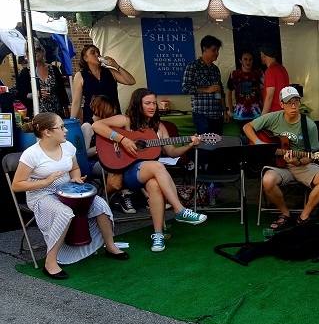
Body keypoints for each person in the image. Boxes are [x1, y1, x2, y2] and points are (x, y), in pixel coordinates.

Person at [11, 112, 129, 280]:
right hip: (41, 194)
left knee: (100, 204)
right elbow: (16, 185)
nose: (66, 130)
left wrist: (75, 177)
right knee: (64, 212)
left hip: (68, 190)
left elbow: (74, 168)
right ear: (48, 132)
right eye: (61, 127)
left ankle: (109, 246)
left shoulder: (67, 146)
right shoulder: (32, 154)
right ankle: (50, 262)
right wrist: (46, 182)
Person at [92, 88, 207, 252]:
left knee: (154, 185)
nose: (152, 106)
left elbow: (172, 152)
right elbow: (97, 125)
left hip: (148, 173)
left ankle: (158, 235)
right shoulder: (127, 120)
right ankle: (179, 209)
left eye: (154, 103)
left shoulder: (159, 127)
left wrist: (189, 145)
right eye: (147, 103)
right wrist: (123, 140)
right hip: (127, 173)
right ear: (138, 104)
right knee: (158, 166)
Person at [243, 86, 319, 230]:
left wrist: (297, 161)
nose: (293, 106)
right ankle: (285, 214)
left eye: (296, 102)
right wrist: (260, 143)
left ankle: (304, 216)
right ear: (282, 104)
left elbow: (313, 155)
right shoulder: (273, 117)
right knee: (267, 180)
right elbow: (247, 127)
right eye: (289, 103)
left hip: (301, 164)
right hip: (278, 164)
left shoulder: (309, 125)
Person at [81, 95, 137, 214]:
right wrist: (101, 149)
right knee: (120, 165)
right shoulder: (88, 127)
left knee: (130, 163)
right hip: (95, 163)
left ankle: (126, 193)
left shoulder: (109, 126)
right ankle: (124, 194)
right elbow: (84, 153)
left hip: (112, 159)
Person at [70, 44, 136, 123]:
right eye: (93, 53)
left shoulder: (110, 72)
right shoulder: (81, 75)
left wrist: (117, 66)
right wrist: (72, 120)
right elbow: (77, 101)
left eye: (98, 52)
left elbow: (131, 81)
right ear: (85, 58)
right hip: (92, 118)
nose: (97, 54)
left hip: (113, 116)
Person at [181, 35, 229, 136]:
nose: (217, 53)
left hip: (217, 114)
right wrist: (207, 90)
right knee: (205, 146)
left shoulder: (215, 69)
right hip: (202, 114)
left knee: (218, 145)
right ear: (205, 49)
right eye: (214, 50)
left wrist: (224, 111)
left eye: (218, 50)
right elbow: (185, 88)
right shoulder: (193, 66)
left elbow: (221, 92)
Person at [17, 38, 70, 118]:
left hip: (57, 114)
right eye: (30, 50)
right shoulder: (26, 73)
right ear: (27, 54)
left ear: (43, 51)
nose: (35, 52)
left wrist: (67, 113)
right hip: (38, 116)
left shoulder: (54, 69)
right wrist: (34, 94)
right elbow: (21, 95)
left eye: (37, 49)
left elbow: (62, 92)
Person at [225, 50, 263, 135]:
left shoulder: (258, 73)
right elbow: (228, 92)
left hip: (257, 113)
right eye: (245, 59)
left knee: (257, 139)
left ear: (253, 60)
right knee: (245, 139)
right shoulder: (234, 74)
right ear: (240, 61)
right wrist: (230, 109)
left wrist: (264, 109)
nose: (248, 62)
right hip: (241, 114)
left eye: (250, 59)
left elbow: (263, 91)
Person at [260, 45, 289, 115]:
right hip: (284, 110)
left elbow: (269, 96)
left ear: (263, 55)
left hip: (274, 113)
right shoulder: (282, 68)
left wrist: (262, 118)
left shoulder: (270, 71)